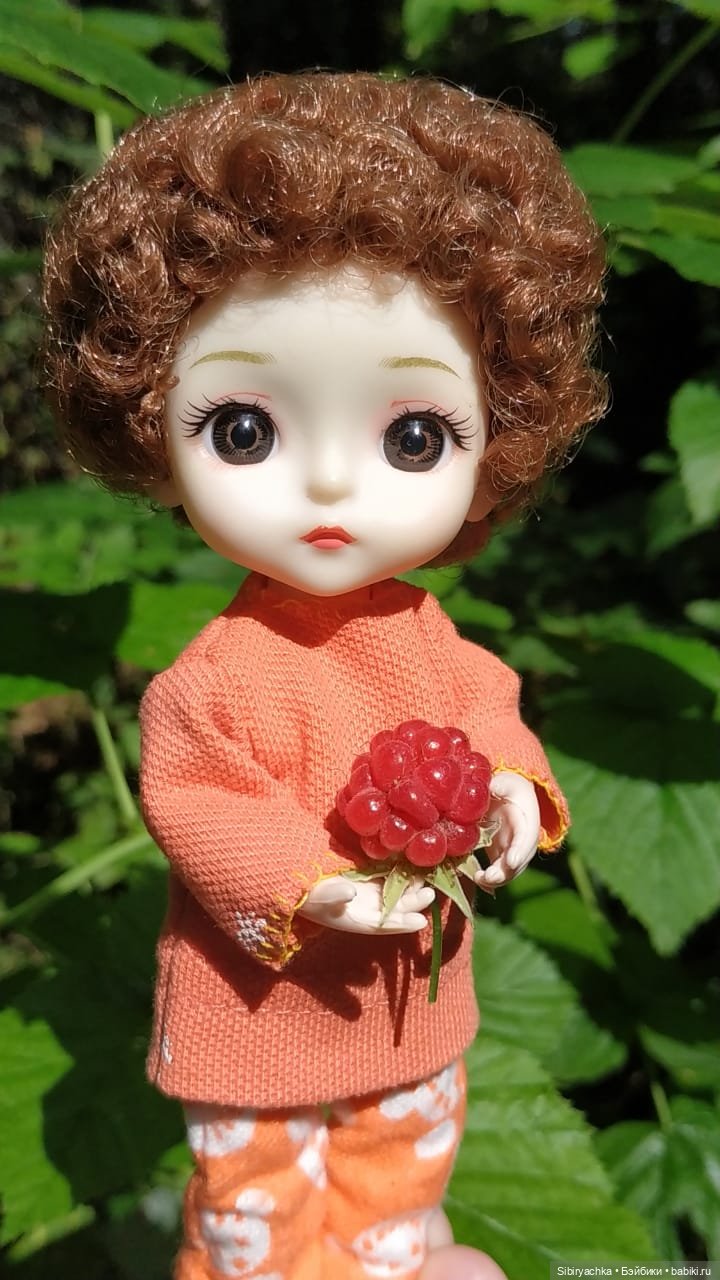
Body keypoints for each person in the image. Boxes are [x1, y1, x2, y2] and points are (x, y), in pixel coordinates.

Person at [43, 73, 606, 1280]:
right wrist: (314, 885)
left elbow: (487, 709)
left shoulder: (429, 635)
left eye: (413, 435)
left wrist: (514, 786)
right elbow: (199, 805)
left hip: (412, 1013)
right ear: (149, 427)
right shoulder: (208, 682)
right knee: (255, 1229)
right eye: (246, 428)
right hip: (257, 1022)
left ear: (498, 440)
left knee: (399, 1199)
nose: (334, 485)